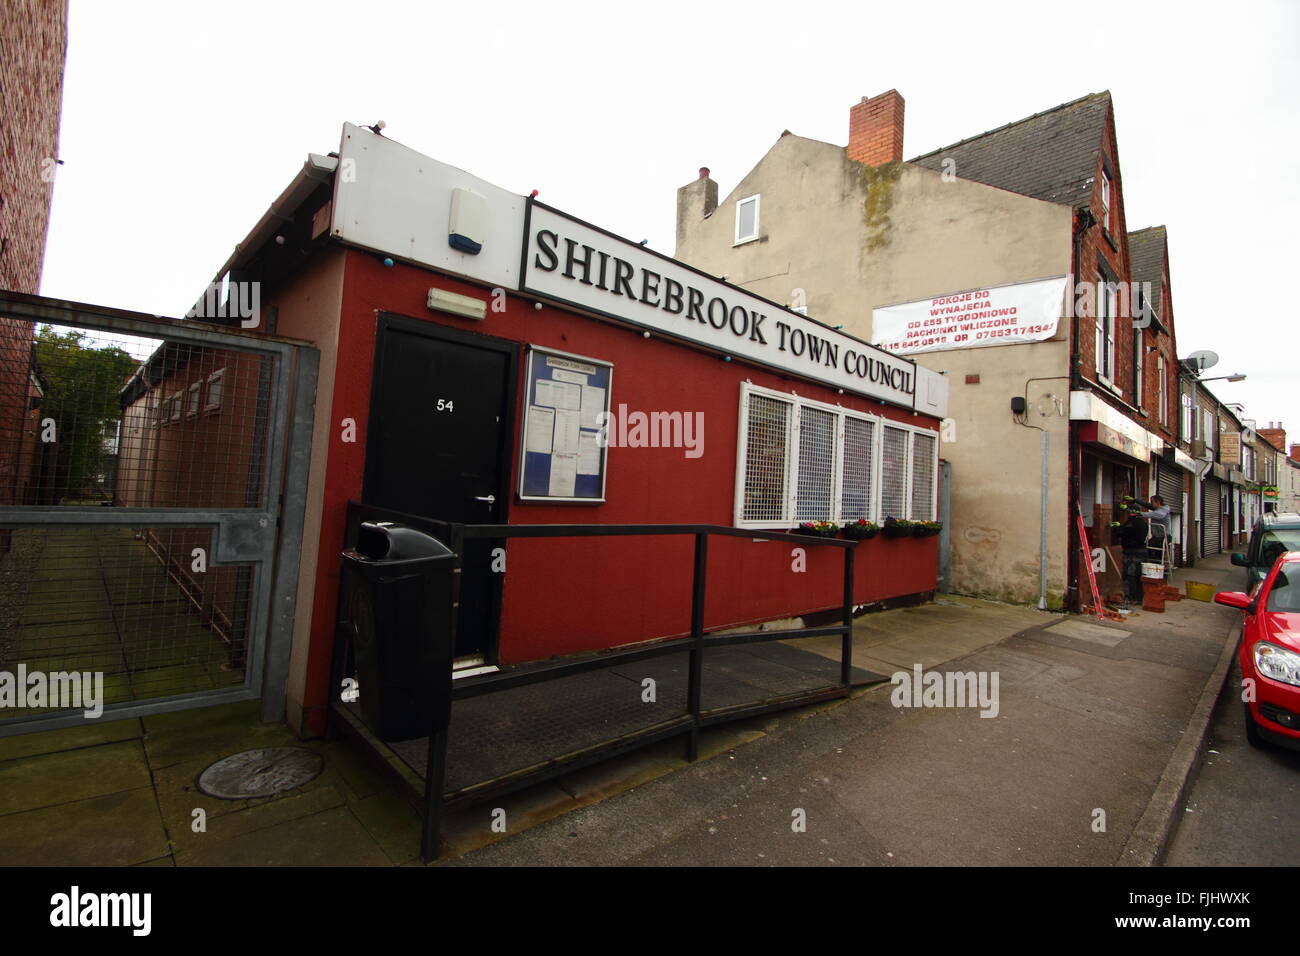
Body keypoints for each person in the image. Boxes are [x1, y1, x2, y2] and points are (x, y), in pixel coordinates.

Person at [1112, 508, 1150, 604]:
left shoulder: (1132, 523)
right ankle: (1139, 598)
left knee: (1130, 575)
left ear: (1131, 513)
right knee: (1139, 576)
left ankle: (1132, 598)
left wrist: (1117, 527)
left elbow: (1123, 532)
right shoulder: (1143, 523)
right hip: (1142, 552)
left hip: (1132, 553)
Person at [1125, 494, 1170, 558]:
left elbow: (1153, 514)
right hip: (1157, 537)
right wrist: (1134, 500)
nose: (1151, 504)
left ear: (1158, 502)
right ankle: (1155, 563)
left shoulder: (1161, 512)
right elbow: (1147, 505)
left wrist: (1137, 513)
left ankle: (1151, 564)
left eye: (1152, 502)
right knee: (1153, 551)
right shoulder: (1159, 508)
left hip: (1162, 538)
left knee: (1144, 548)